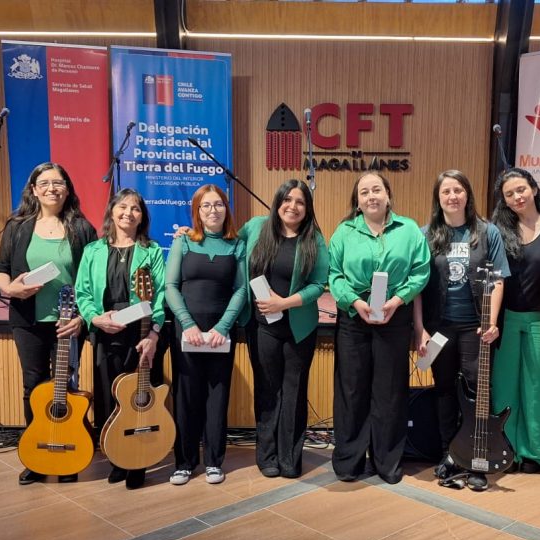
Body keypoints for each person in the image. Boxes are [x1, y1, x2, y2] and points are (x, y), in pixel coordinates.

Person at [0, 162, 98, 485]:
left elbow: (92, 280)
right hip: (28, 320)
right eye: (45, 182)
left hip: (68, 322)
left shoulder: (82, 228)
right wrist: (9, 287)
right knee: (33, 388)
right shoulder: (17, 226)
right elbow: (1, 268)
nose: (52, 188)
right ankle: (37, 458)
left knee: (66, 389)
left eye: (58, 182)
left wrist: (82, 318)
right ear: (34, 189)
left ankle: (68, 456)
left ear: (67, 189)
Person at [328, 171, 430, 484]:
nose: (371, 196)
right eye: (364, 192)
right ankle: (350, 462)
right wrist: (355, 303)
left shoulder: (409, 229)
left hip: (394, 315)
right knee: (352, 390)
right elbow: (334, 275)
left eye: (376, 190)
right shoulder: (345, 231)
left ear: (387, 195)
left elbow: (420, 272)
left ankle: (388, 462)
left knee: (389, 392)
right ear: (357, 202)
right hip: (354, 316)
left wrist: (398, 300)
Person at [413, 169, 510, 492]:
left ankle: (477, 457)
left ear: (467, 194)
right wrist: (420, 331)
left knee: (476, 391)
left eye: (458, 190)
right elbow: (415, 286)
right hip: (439, 327)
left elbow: (497, 280)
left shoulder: (487, 233)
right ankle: (450, 454)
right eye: (446, 192)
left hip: (475, 327)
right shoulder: (425, 234)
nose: (452, 196)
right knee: (443, 390)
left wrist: (491, 322)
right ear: (438, 198)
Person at [74, 188, 166, 490]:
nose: (128, 212)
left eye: (136, 208)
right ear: (112, 211)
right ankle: (116, 457)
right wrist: (94, 318)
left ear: (143, 217)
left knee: (138, 399)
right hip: (105, 331)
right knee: (107, 396)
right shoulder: (92, 251)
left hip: (139, 335)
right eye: (122, 206)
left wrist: (153, 333)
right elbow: (83, 292)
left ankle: (138, 459)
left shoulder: (151, 251)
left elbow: (161, 294)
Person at [238, 180, 329, 479]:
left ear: (307, 208)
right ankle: (267, 457)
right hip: (261, 326)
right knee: (267, 390)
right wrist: (192, 235)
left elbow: (319, 284)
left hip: (299, 327)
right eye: (287, 199)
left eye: (300, 202)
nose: (293, 206)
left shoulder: (313, 239)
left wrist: (285, 303)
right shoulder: (255, 228)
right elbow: (229, 246)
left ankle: (290, 458)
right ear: (277, 202)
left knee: (294, 392)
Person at [165, 184, 246, 486]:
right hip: (187, 331)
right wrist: (187, 323)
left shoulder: (237, 244)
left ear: (227, 208)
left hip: (220, 333)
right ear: (197, 211)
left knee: (217, 396)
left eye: (219, 204)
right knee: (186, 396)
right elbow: (171, 286)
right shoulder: (184, 241)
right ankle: (184, 462)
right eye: (206, 206)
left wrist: (222, 327)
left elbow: (241, 289)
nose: (213, 210)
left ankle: (214, 461)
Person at [490, 168, 540, 474]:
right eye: (509, 194)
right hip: (506, 319)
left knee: (539, 388)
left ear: (533, 188)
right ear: (504, 201)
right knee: (504, 386)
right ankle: (506, 450)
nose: (517, 197)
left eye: (521, 189)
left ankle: (534, 453)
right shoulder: (497, 230)